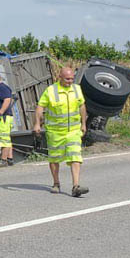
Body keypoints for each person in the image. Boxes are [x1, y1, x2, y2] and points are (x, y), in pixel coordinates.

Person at [33, 67, 89, 196]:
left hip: (73, 131)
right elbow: (40, 106)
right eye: (67, 79)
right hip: (55, 132)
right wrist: (37, 123)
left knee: (75, 156)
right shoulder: (51, 91)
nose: (70, 81)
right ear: (60, 77)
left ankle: (76, 186)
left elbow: (82, 106)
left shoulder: (76, 89)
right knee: (54, 158)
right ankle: (56, 183)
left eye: (71, 79)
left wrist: (83, 123)